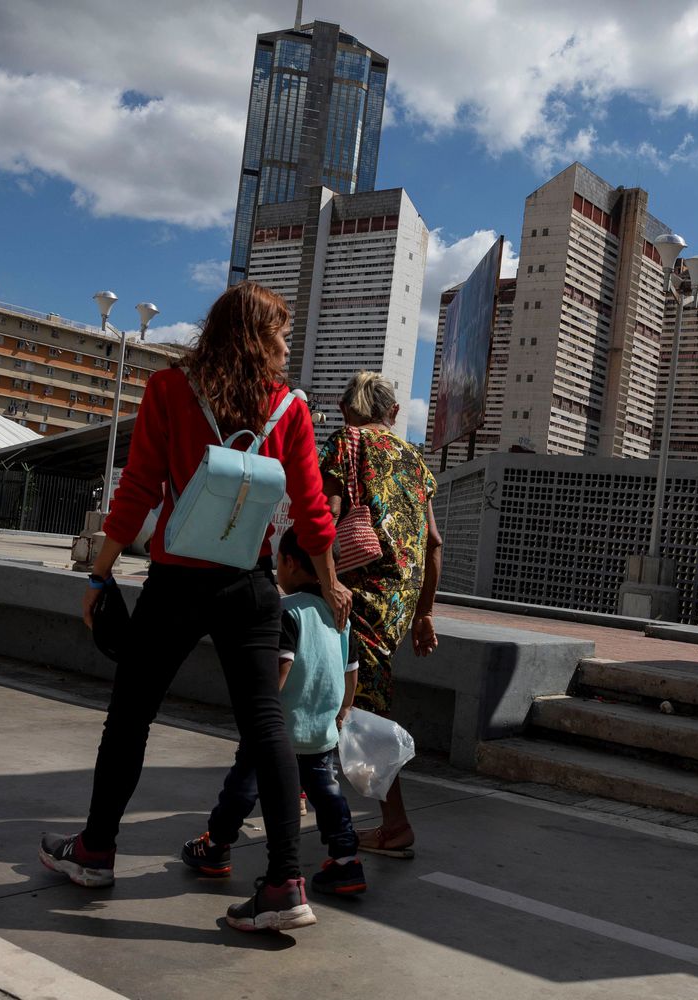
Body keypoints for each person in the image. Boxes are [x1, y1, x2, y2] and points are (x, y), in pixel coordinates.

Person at [40, 281, 350, 933]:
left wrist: (99, 576)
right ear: (264, 336)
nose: (288, 342)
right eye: (283, 331)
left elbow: (137, 493)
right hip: (251, 584)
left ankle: (96, 852)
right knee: (267, 725)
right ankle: (285, 882)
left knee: (130, 716)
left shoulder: (170, 390)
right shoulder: (289, 406)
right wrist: (332, 584)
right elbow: (314, 513)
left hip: (177, 581)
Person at [180, 525, 365, 897]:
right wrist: (342, 712)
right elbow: (351, 672)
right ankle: (346, 861)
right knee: (328, 794)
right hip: (320, 731)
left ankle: (215, 846)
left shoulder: (284, 611)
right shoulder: (339, 615)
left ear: (291, 563)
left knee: (242, 787)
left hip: (277, 728)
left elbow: (280, 668)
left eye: (279, 561)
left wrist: (257, 713)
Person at [319, 372, 441, 858]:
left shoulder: (345, 442)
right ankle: (308, 787)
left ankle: (395, 826)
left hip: (354, 595)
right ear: (391, 413)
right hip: (397, 603)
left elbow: (325, 518)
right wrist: (423, 614)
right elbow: (433, 544)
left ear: (347, 410)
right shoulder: (414, 458)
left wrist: (324, 583)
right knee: (352, 700)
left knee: (359, 710)